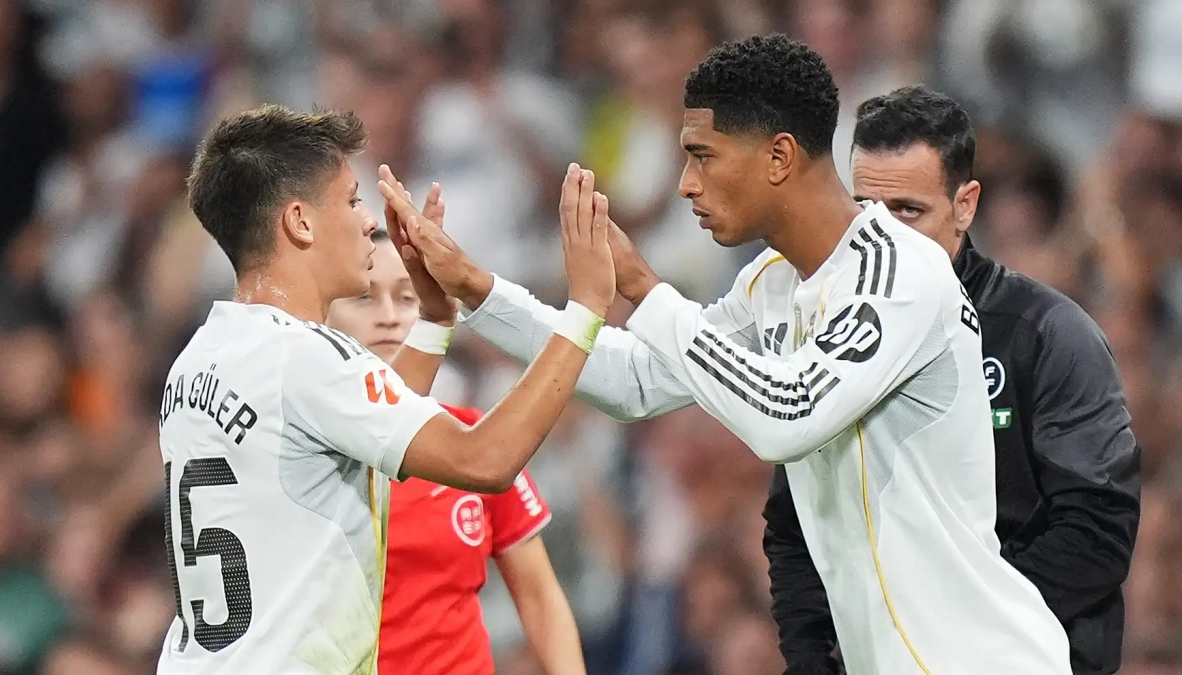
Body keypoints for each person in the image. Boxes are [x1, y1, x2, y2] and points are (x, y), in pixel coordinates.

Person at [382, 34, 1072, 674]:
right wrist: (478, 290)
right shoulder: (771, 282)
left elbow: (789, 412)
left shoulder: (902, 273)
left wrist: (647, 289)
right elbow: (639, 382)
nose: (684, 183)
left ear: (777, 156)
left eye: (702, 154)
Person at [155, 104, 615, 674]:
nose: (365, 216)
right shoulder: (305, 357)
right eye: (350, 200)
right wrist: (586, 311)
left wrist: (435, 322)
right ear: (300, 222)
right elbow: (485, 459)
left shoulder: (198, 360)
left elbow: (361, 426)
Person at [761, 85, 1140, 675]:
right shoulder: (826, 330)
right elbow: (797, 523)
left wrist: (959, 633)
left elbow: (1097, 528)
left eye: (908, 211)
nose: (881, 237)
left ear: (965, 205)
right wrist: (809, 657)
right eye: (865, 209)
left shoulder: (1045, 335)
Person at [325, 222, 587, 675]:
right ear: (323, 317)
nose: (389, 315)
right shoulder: (306, 452)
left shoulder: (474, 441)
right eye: (365, 297)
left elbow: (542, 599)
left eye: (409, 298)